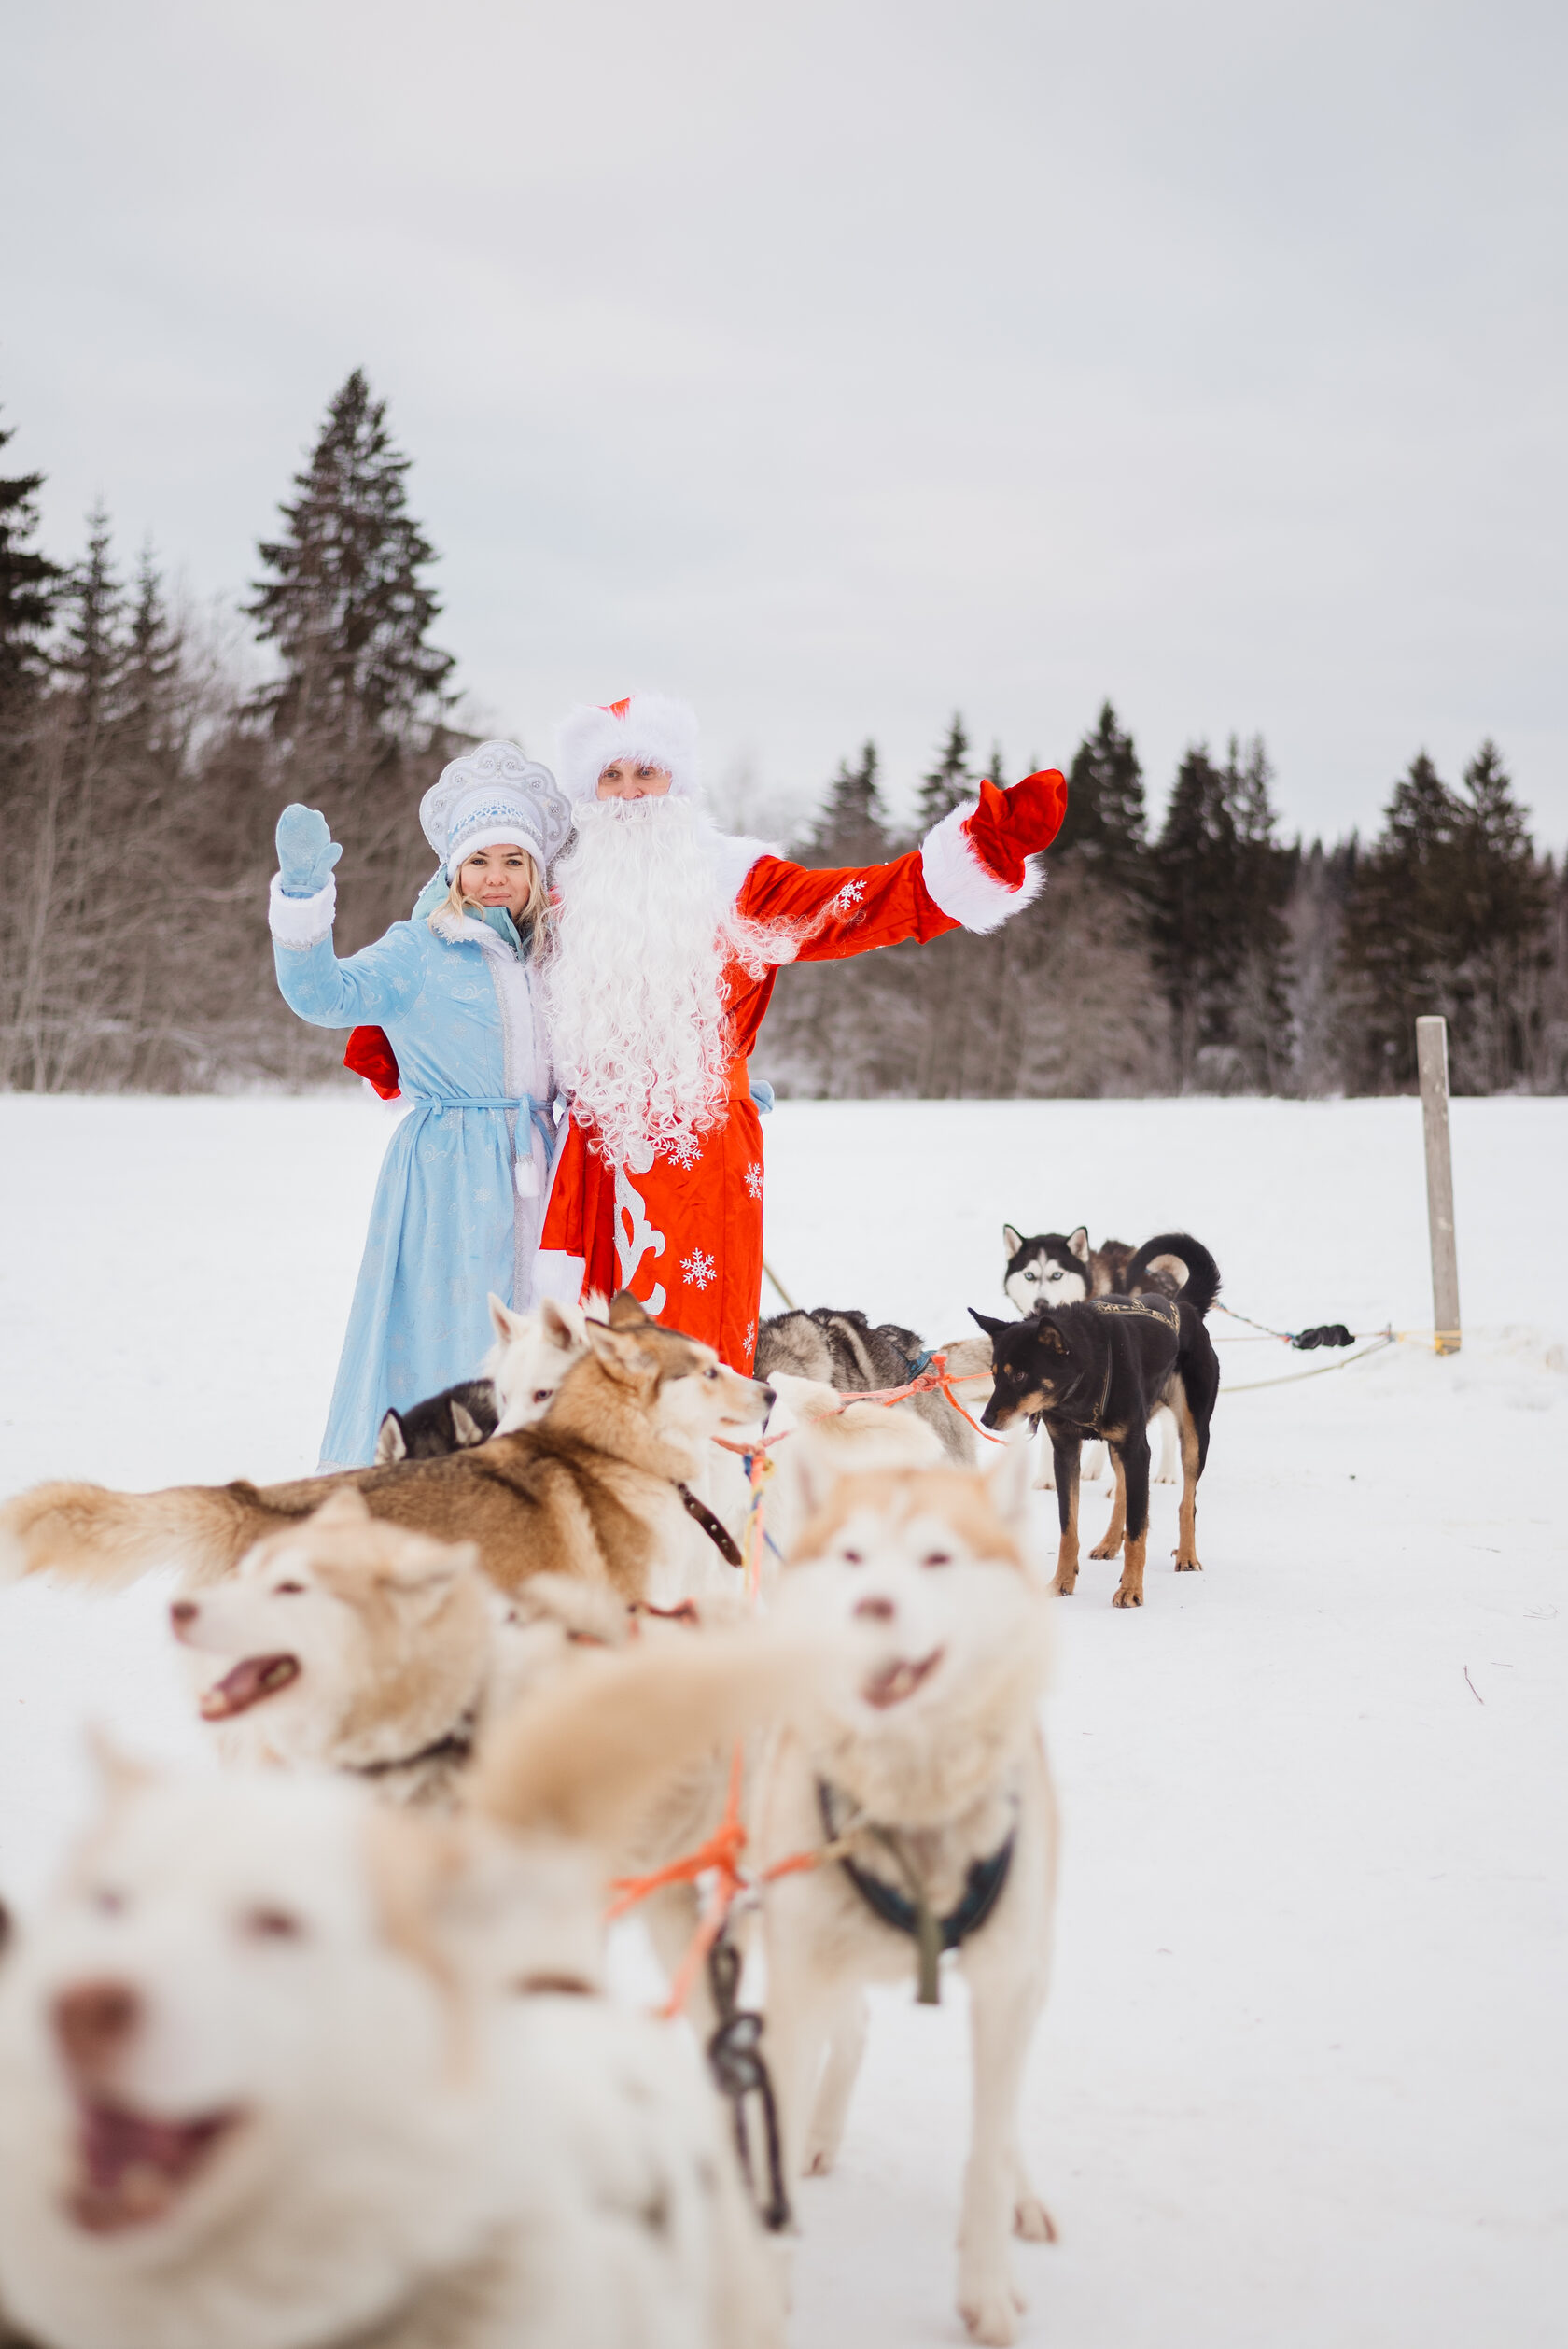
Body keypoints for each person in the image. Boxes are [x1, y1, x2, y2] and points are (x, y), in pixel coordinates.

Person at [536, 693, 1068, 1368]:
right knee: (583, 1345)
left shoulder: (738, 883)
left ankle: (709, 1467)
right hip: (590, 1155)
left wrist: (959, 866)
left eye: (646, 772)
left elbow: (849, 906)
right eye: (610, 777)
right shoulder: (563, 892)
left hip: (698, 1155)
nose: (630, 793)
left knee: (690, 1343)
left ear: (680, 783)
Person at [268, 740, 572, 1468]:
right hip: (449, 1175)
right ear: (452, 870)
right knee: (455, 1334)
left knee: (548, 1348)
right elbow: (320, 995)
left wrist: (705, 1086)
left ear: (536, 872)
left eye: (513, 862)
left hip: (551, 1172)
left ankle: (533, 1498)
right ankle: (424, 1484)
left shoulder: (557, 960)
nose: (495, 879)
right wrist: (304, 898)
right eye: (479, 862)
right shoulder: (419, 949)